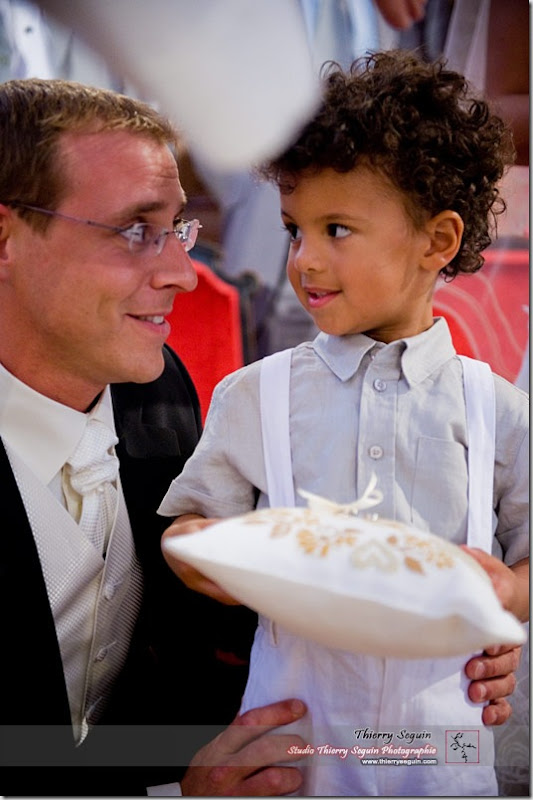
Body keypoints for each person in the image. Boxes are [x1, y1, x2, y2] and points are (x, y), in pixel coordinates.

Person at [160, 51, 528, 796]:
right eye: (295, 229)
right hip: (295, 762)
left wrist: (507, 593)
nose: (304, 260)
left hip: (443, 769)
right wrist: (215, 551)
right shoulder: (253, 396)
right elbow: (184, 529)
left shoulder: (497, 410)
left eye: (336, 230)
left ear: (437, 241)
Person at [0, 76, 311, 797]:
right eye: (137, 230)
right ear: (6, 237)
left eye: (178, 229)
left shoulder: (154, 386)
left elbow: (189, 642)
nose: (183, 274)